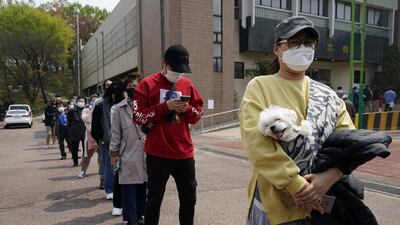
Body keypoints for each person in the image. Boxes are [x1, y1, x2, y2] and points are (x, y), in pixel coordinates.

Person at [239, 16, 354, 225]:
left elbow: (349, 143)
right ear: (277, 49)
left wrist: (328, 178)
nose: (302, 47)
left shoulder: (328, 95)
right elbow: (257, 146)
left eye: (308, 42)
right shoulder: (260, 86)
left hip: (322, 206)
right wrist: (298, 186)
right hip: (275, 208)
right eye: (294, 42)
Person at [133, 44, 204, 225]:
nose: (178, 74)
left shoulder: (187, 84)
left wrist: (187, 108)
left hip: (184, 152)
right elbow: (138, 116)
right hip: (157, 153)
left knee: (189, 199)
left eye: (182, 70)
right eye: (174, 69)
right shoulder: (146, 84)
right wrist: (166, 106)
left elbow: (198, 114)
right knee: (154, 200)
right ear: (164, 63)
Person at [92, 83, 116, 200]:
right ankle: (109, 189)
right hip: (106, 141)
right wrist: (100, 139)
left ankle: (118, 188)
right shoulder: (100, 105)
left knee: (119, 167)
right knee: (109, 166)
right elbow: (95, 126)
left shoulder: (121, 104)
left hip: (121, 140)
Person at [78, 94, 100, 178]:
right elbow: (84, 119)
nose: (94, 102)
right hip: (90, 137)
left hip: (100, 136)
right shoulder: (86, 110)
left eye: (96, 100)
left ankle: (101, 172)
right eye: (93, 100)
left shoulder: (101, 110)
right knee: (87, 156)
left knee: (101, 156)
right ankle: (82, 171)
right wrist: (91, 111)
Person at [67, 96, 86, 167]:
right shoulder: (72, 111)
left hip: (84, 131)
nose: (81, 102)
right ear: (77, 102)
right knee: (74, 148)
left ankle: (84, 161)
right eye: (80, 101)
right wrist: (69, 132)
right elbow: (69, 122)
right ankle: (75, 161)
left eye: (83, 101)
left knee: (85, 148)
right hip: (75, 132)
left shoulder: (86, 110)